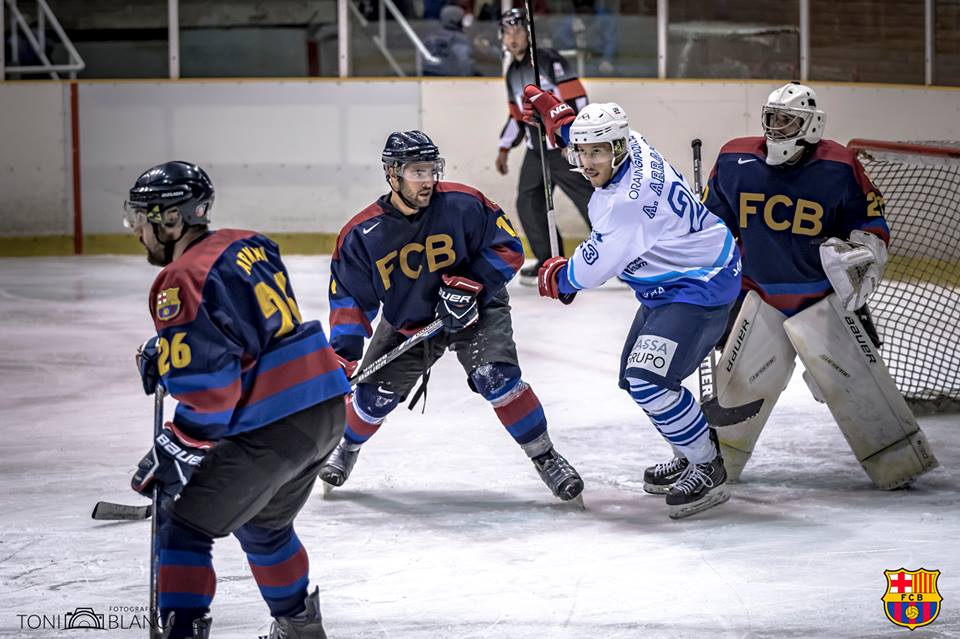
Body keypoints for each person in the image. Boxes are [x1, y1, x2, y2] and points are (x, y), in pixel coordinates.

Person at [124, 161, 350, 639]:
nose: (137, 230)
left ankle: (181, 631)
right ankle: (300, 628)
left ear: (171, 220)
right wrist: (169, 353)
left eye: (143, 219)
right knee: (263, 525)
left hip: (274, 424)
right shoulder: (246, 243)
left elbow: (210, 394)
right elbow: (246, 329)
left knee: (183, 524)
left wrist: (179, 445)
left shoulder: (177, 279)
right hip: (324, 407)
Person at [320, 130, 584, 503]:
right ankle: (347, 446)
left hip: (477, 308)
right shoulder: (362, 235)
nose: (428, 181)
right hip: (410, 322)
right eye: (417, 172)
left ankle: (546, 456)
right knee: (371, 396)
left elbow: (508, 248)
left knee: (498, 378)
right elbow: (349, 299)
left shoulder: (463, 203)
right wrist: (344, 354)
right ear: (392, 174)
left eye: (432, 170)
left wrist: (471, 285)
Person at [701, 82, 938, 489]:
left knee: (861, 394)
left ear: (811, 126)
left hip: (823, 302)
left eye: (787, 119)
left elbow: (871, 224)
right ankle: (715, 459)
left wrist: (862, 254)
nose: (776, 128)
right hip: (760, 298)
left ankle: (898, 461)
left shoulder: (840, 167)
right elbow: (710, 227)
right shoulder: (734, 158)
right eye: (771, 118)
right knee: (737, 398)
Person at [522, 88, 742, 518]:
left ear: (617, 149)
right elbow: (592, 136)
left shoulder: (625, 205)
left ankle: (706, 465)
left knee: (649, 380)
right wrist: (561, 120)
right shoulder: (633, 142)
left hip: (700, 286)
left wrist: (558, 277)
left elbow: (586, 273)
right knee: (636, 377)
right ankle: (688, 447)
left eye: (596, 154)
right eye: (581, 152)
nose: (586, 164)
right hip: (675, 281)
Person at [496, 8, 593, 285]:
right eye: (508, 32)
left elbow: (578, 97)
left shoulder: (548, 60)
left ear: (529, 33)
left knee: (589, 200)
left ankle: (618, 256)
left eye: (518, 31)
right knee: (528, 202)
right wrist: (504, 148)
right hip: (534, 150)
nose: (513, 37)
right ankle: (549, 257)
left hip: (561, 147)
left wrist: (575, 138)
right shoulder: (512, 72)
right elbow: (516, 115)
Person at [423, 4, 477, 77]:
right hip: (452, 79)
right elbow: (465, 66)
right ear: (457, 20)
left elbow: (422, 62)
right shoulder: (460, 39)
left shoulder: (429, 38)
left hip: (429, 76)